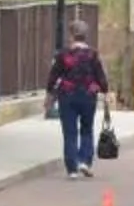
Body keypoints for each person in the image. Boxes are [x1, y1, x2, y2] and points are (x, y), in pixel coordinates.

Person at [46, 20, 110, 179]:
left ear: (71, 35)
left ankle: (72, 168)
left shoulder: (63, 55)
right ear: (85, 35)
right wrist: (106, 92)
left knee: (70, 132)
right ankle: (85, 161)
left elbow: (53, 76)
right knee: (87, 129)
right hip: (88, 95)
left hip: (67, 95)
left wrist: (49, 95)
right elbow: (100, 76)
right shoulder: (93, 54)